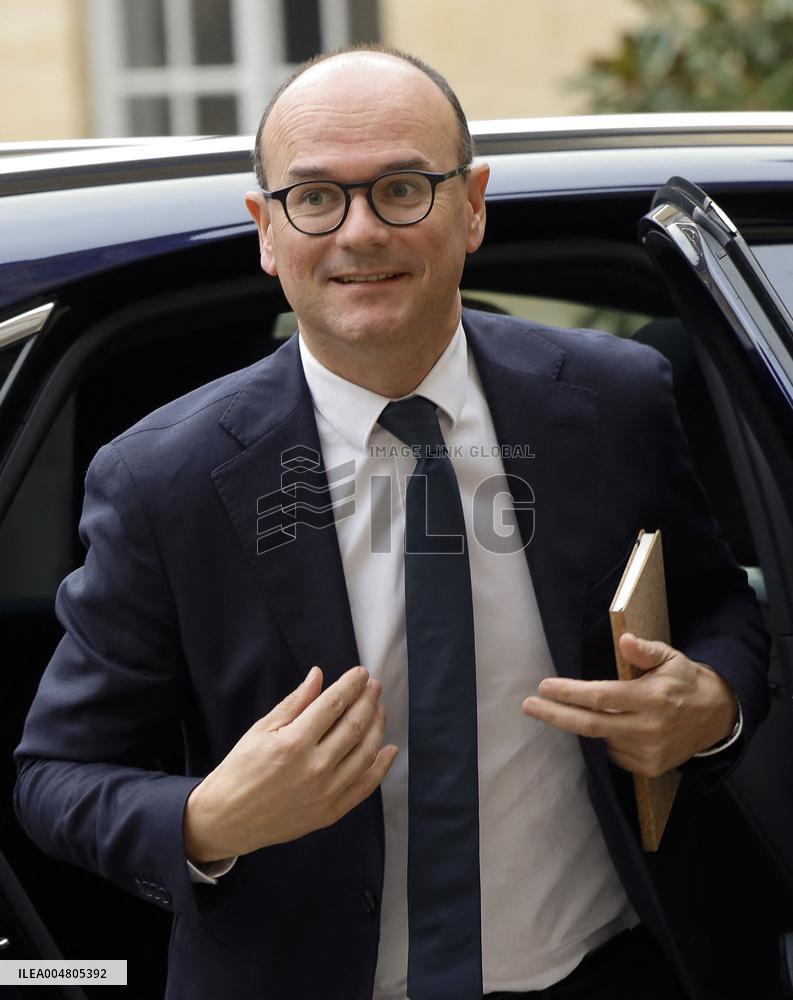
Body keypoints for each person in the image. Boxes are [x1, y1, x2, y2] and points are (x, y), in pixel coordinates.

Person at [14, 45, 769, 1000]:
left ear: (473, 205)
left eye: (403, 187)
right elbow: (55, 777)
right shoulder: (164, 477)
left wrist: (709, 711)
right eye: (316, 197)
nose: (360, 232)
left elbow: (720, 611)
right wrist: (208, 818)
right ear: (265, 228)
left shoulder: (612, 399)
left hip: (608, 968)